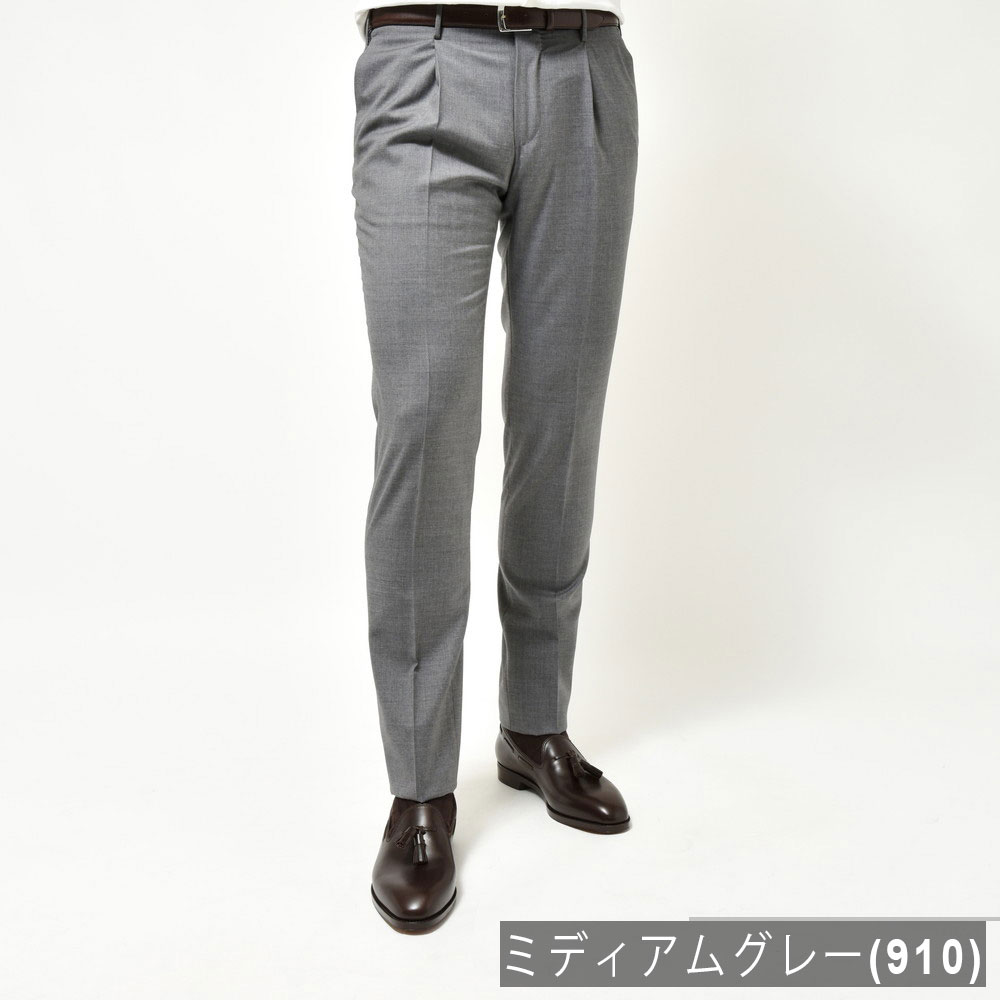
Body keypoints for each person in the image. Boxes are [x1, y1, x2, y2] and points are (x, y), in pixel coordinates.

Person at [351, 2, 638, 932]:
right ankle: (419, 787)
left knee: (563, 416)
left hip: (585, 64)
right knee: (425, 423)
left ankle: (534, 725)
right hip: (427, 56)